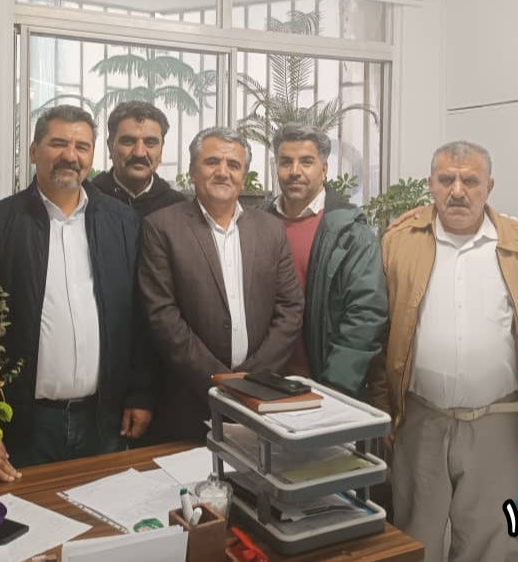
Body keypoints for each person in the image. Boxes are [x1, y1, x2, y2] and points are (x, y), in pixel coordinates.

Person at [368, 141, 518, 562]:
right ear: (430, 184)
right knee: (415, 535)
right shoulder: (398, 241)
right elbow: (380, 328)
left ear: (490, 186)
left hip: (496, 421)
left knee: (485, 538)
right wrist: (381, 402)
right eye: (446, 179)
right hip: (419, 417)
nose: (458, 191)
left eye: (470, 181)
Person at [0, 105, 154, 472]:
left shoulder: (123, 223)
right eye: (58, 143)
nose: (70, 156)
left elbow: (138, 315)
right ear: (33, 151)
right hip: (23, 425)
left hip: (103, 420)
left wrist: (140, 393)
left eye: (81, 147)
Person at [138, 127, 304, 442]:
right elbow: (162, 315)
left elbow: (290, 307)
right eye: (212, 162)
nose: (223, 172)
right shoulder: (161, 227)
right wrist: (219, 379)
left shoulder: (270, 229)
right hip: (189, 399)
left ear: (243, 176)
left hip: (261, 397)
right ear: (192, 170)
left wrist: (251, 379)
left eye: (233, 165)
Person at [263, 123, 387, 398]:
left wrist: (334, 389)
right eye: (286, 162)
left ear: (324, 169)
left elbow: (365, 313)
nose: (295, 171)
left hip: (327, 388)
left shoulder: (351, 233)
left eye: (306, 162)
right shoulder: (256, 223)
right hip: (263, 385)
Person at [91, 101, 186, 216]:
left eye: (150, 142)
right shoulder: (86, 201)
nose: (139, 153)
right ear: (110, 147)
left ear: (161, 150)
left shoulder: (179, 208)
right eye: (128, 141)